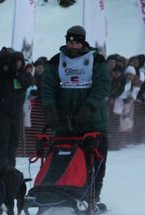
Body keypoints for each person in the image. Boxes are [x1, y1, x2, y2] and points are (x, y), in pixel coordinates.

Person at [41, 25, 110, 202]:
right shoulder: (57, 61)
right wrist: (50, 109)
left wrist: (88, 107)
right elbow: (48, 86)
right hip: (65, 121)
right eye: (69, 42)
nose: (72, 46)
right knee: (62, 157)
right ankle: (58, 191)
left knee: (95, 160)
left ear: (82, 42)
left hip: (93, 121)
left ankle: (92, 196)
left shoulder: (97, 60)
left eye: (76, 43)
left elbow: (103, 86)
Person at [0, 48, 32, 170]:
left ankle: (11, 169)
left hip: (17, 114)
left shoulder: (25, 74)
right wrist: (0, 74)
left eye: (19, 61)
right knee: (3, 142)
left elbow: (26, 83)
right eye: (15, 61)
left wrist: (16, 73)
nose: (17, 63)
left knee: (14, 142)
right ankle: (3, 169)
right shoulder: (4, 76)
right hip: (2, 113)